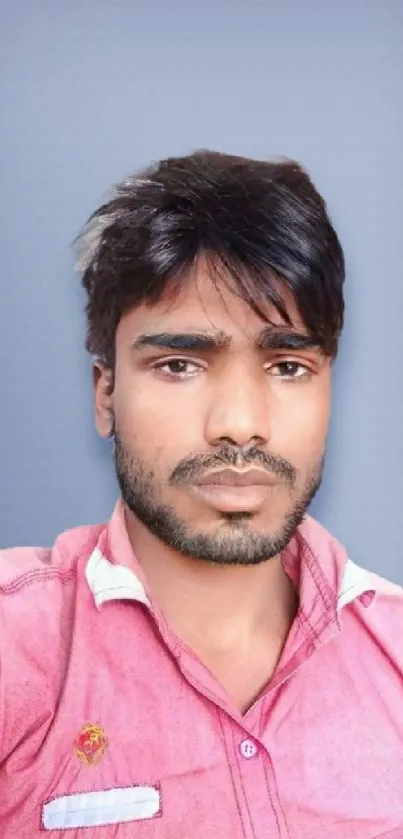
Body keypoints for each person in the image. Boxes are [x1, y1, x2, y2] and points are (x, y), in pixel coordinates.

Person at [0, 151, 402, 839]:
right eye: (179, 364)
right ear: (105, 394)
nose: (238, 423)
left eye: (286, 364)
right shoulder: (18, 648)